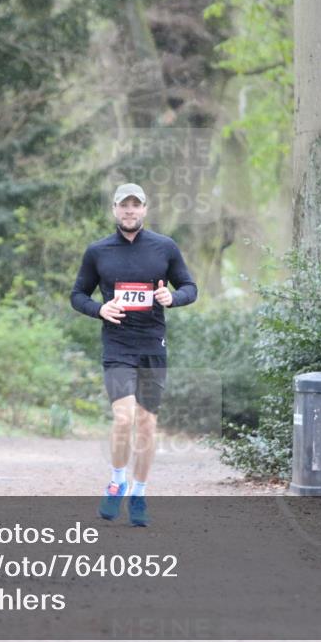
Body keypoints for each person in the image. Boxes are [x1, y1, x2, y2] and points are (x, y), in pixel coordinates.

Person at [71, 183, 197, 526]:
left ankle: (139, 493)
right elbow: (77, 295)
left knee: (146, 423)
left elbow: (190, 287)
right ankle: (117, 482)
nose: (129, 211)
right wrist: (100, 309)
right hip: (118, 345)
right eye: (123, 205)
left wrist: (173, 298)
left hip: (152, 345)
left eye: (135, 205)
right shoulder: (98, 251)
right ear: (114, 209)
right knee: (124, 418)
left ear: (144, 209)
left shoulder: (164, 247)